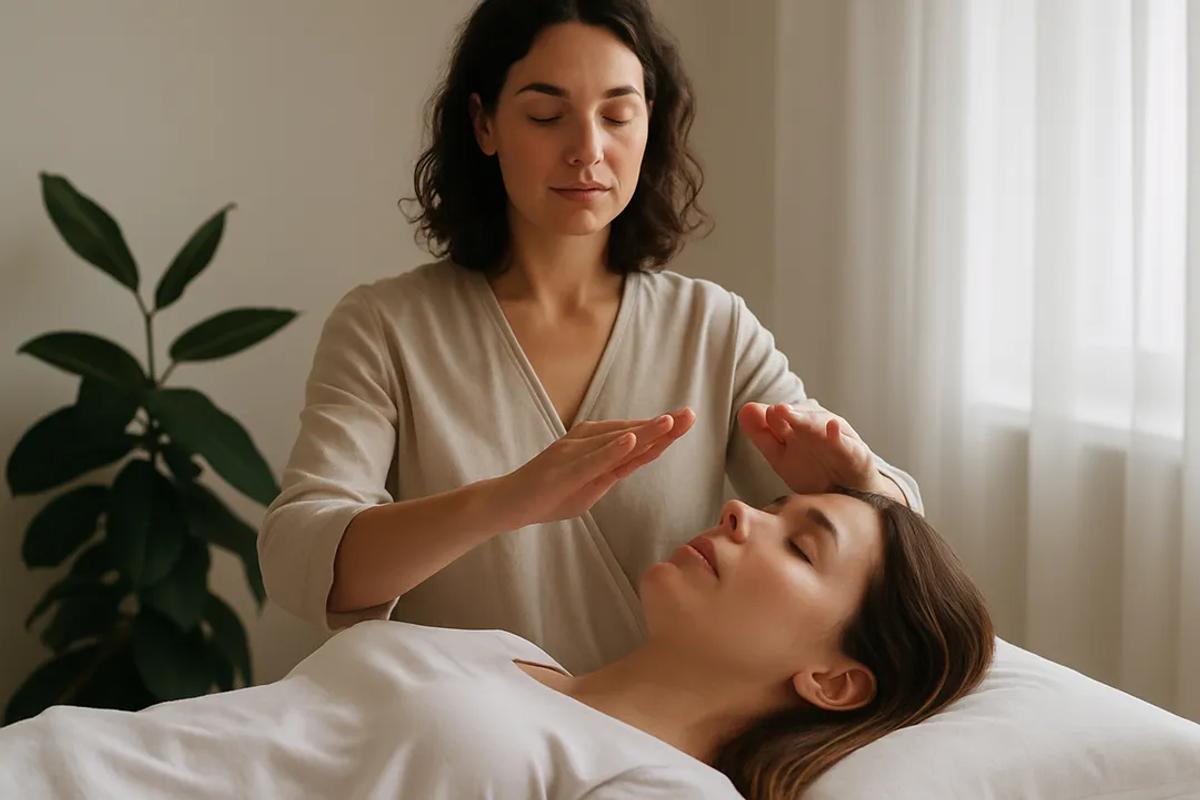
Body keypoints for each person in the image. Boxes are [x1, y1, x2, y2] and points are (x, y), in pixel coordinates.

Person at [258, 0, 925, 676]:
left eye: (616, 114)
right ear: (483, 123)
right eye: (546, 116)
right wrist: (503, 501)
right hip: (460, 739)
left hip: (657, 744)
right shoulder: (385, 325)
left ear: (649, 123)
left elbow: (892, 543)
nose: (588, 150)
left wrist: (861, 480)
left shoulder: (712, 327)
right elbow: (298, 558)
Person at [1, 490, 994, 799]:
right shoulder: (503, 646)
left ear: (831, 676)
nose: (744, 508)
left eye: (800, 540)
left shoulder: (664, 789)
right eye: (772, 504)